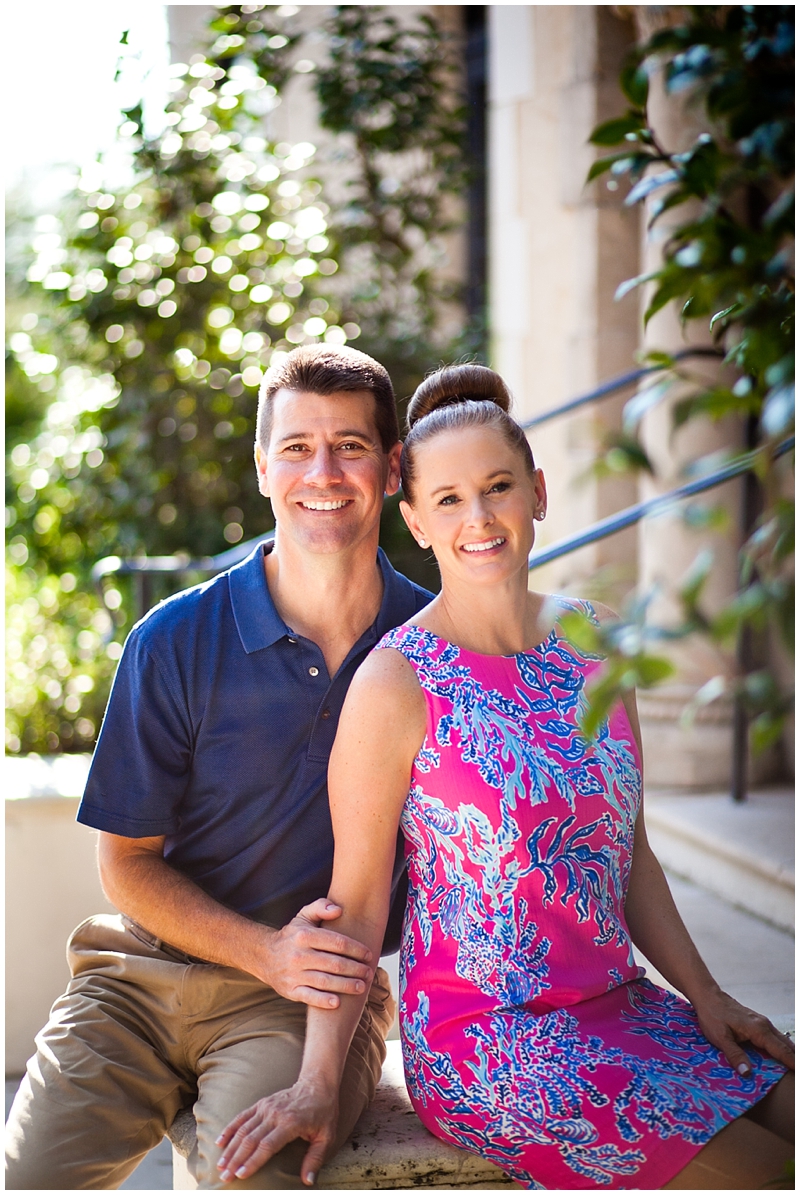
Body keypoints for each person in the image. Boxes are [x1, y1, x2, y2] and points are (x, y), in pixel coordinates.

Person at [214, 363, 794, 1191]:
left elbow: (628, 851)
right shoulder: (394, 683)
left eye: (498, 487)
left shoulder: (597, 640)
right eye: (448, 499)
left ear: (538, 492)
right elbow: (358, 902)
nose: (479, 518)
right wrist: (315, 1079)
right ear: (413, 518)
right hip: (492, 1046)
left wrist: (707, 993)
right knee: (770, 1176)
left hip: (625, 1007)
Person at [4, 344, 434, 1190]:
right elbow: (125, 863)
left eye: (350, 445)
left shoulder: (432, 648)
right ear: (263, 464)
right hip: (134, 979)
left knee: (253, 1178)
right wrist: (262, 948)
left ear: (390, 470)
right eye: (297, 446)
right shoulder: (174, 639)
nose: (323, 469)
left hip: (301, 1003)